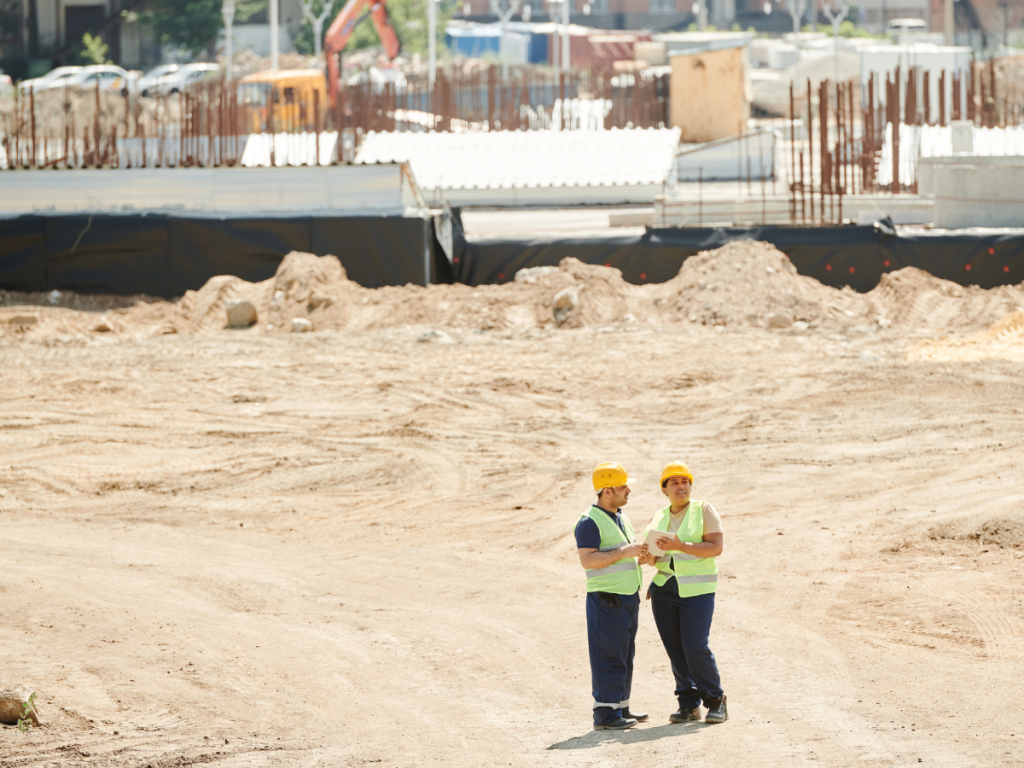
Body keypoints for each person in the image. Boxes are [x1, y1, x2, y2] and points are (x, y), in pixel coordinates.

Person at [639, 461, 728, 724]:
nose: (681, 486)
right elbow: (656, 556)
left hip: (697, 590)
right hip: (665, 589)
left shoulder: (704, 510)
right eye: (674, 482)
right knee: (675, 649)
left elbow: (715, 547)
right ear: (664, 489)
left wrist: (680, 545)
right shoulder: (659, 517)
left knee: (695, 646)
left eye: (685, 481)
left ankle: (715, 700)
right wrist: (648, 558)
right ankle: (688, 704)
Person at [574, 462, 649, 731]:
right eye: (622, 486)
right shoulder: (589, 522)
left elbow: (622, 554)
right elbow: (588, 560)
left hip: (627, 597)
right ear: (607, 491)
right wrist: (624, 553)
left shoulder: (620, 516)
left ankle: (620, 706)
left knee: (625, 654)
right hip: (607, 599)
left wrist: (641, 556)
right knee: (608, 655)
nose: (628, 490)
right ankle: (605, 713)